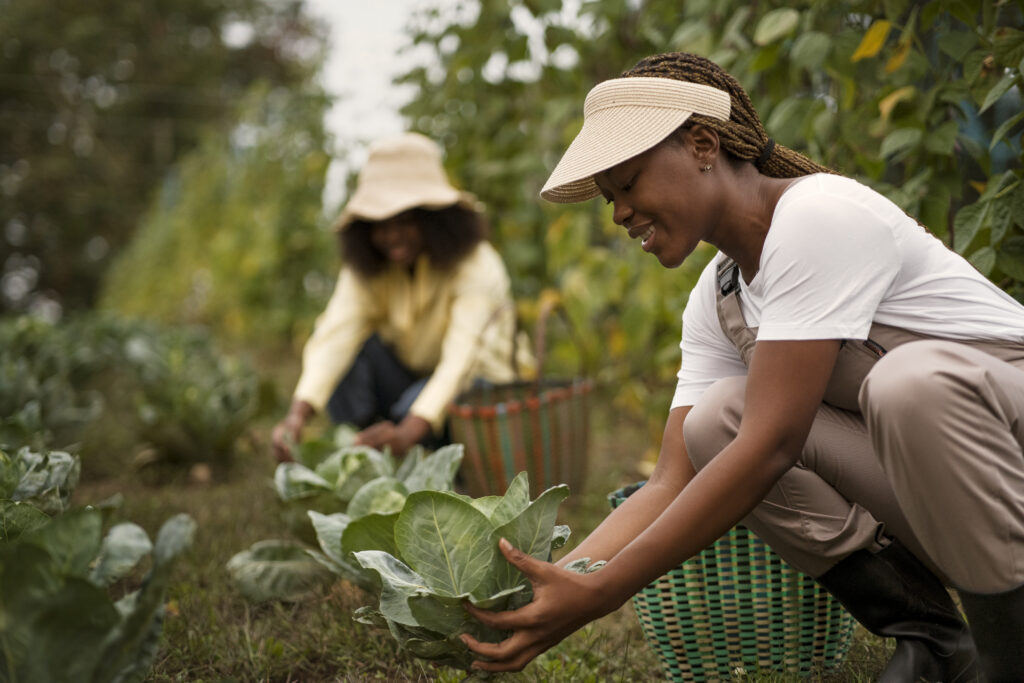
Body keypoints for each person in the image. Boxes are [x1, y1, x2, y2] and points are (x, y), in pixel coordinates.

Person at [461, 52, 1024, 682]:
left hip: (1008, 462)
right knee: (715, 424)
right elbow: (671, 479)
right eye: (609, 198)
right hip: (963, 506)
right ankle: (938, 644)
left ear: (703, 144)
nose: (619, 213)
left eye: (628, 183)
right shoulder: (722, 292)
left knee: (906, 387)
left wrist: (607, 593)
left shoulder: (820, 217)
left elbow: (771, 447)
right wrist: (557, 585)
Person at [271, 132, 529, 461]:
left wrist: (408, 430)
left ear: (436, 220)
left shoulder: (477, 264)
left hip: (482, 390)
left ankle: (424, 453)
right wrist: (297, 416)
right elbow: (336, 334)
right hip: (410, 379)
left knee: (415, 404)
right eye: (379, 225)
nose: (391, 236)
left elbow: (461, 360)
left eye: (406, 221)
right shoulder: (371, 269)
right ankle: (373, 452)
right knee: (348, 363)